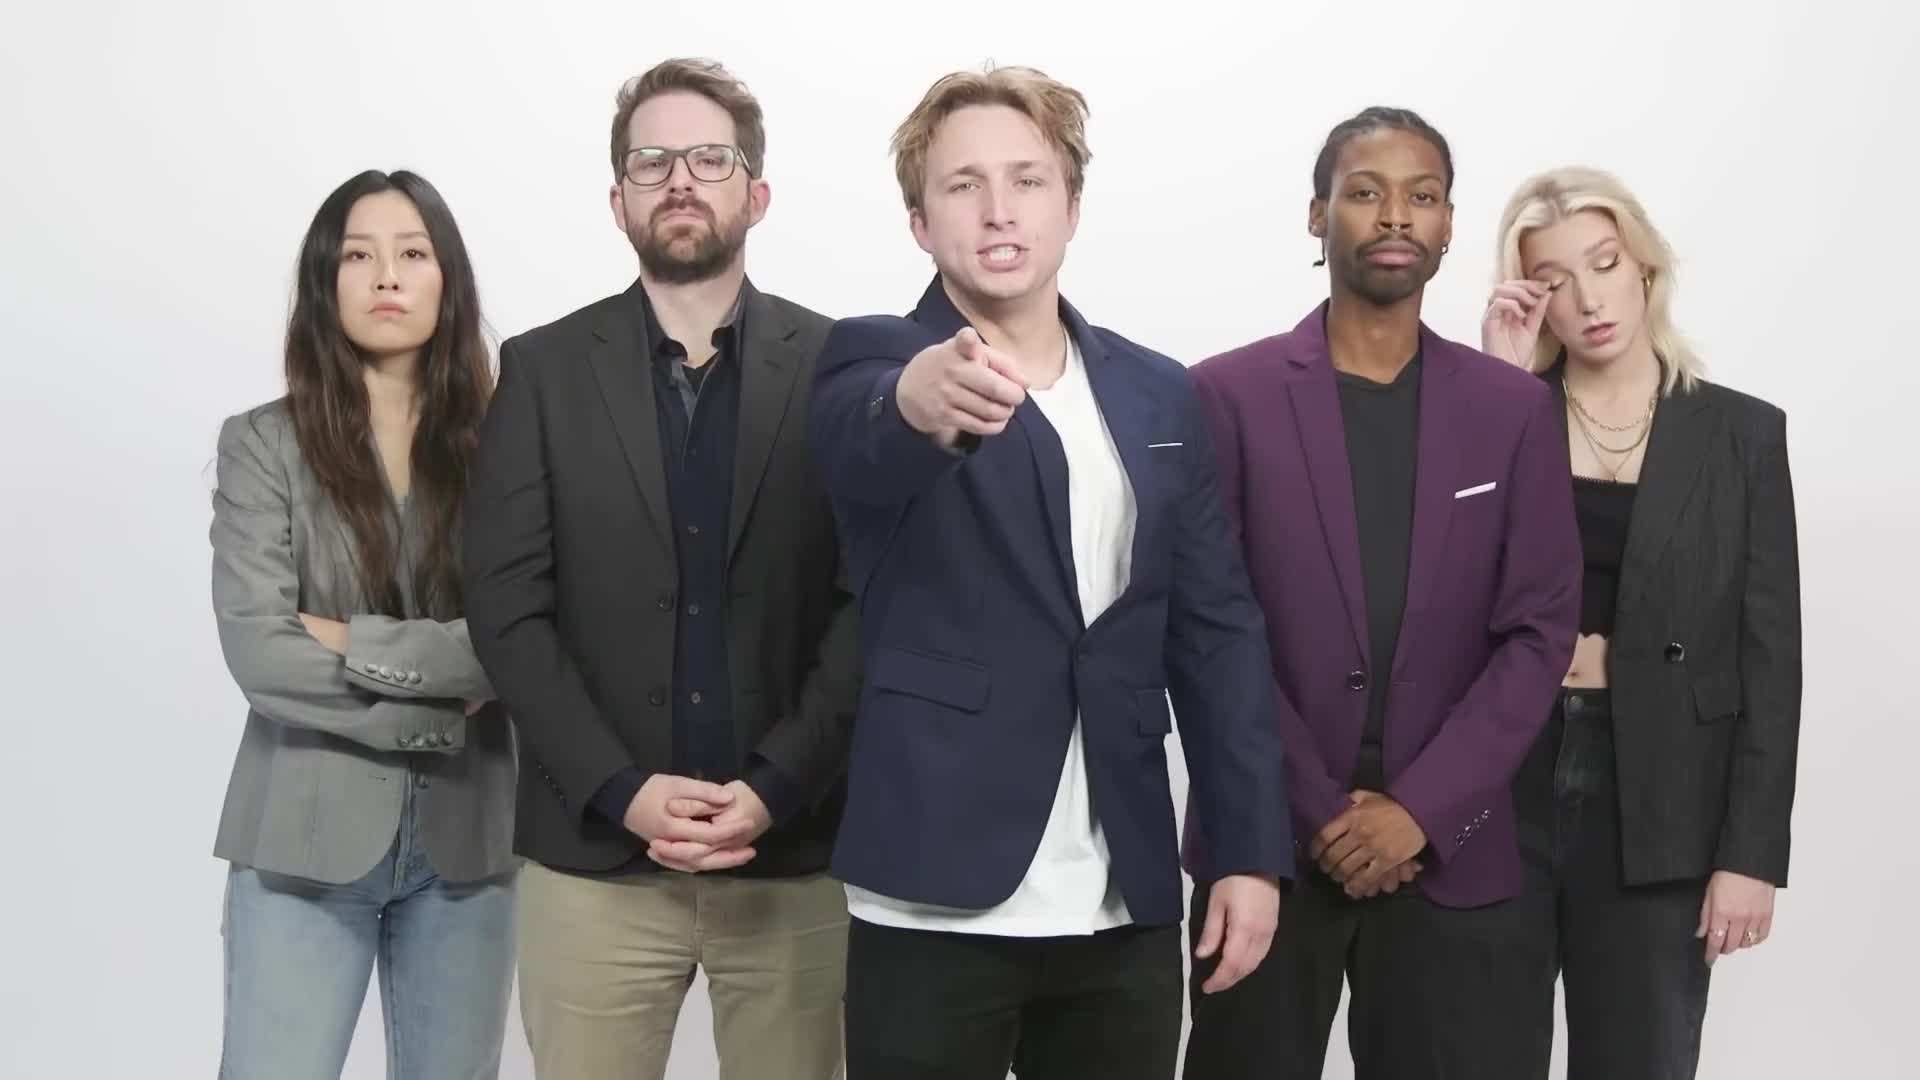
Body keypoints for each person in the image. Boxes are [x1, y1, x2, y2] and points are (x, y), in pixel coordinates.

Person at [807, 64, 1292, 1080]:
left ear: (1071, 206)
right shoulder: (870, 357)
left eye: (1027, 180)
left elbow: (1215, 631)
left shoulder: (1157, 392)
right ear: (918, 222)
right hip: (935, 892)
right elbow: (865, 433)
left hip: (1123, 896)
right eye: (963, 184)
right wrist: (919, 398)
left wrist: (1248, 849)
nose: (999, 209)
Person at [462, 58, 857, 1080]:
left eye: (710, 158)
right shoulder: (542, 371)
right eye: (652, 161)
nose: (680, 179)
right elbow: (506, 610)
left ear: (756, 194)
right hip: (593, 866)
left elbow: (865, 606)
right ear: (619, 202)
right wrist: (619, 789)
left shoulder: (841, 369)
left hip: (792, 860)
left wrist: (777, 784)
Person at [1180, 108, 1582, 1080]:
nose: (1396, 214)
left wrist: (1420, 811)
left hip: (1455, 852)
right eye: (1365, 192)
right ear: (1318, 216)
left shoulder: (1513, 408)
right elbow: (1208, 629)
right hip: (1269, 844)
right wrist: (1319, 810)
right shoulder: (1225, 396)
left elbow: (1539, 630)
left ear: (1448, 226)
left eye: (1422, 195)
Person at [1480, 164, 1802, 1079]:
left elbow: (1770, 659)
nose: (1587, 300)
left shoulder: (1740, 434)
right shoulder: (1505, 414)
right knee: (1477, 1052)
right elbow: (1449, 593)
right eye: (1553, 280)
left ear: (1644, 266)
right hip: (1506, 779)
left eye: (1604, 263)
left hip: (1664, 793)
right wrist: (1496, 388)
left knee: (1641, 1059)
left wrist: (1750, 855)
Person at [210, 169, 515, 1079]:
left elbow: (521, 638)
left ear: (447, 279)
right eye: (358, 255)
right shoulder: (261, 444)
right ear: (325, 281)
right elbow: (261, 651)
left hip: (471, 848)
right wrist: (441, 699)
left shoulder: (510, 445)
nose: (386, 275)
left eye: (412, 253)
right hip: (300, 846)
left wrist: (345, 636)